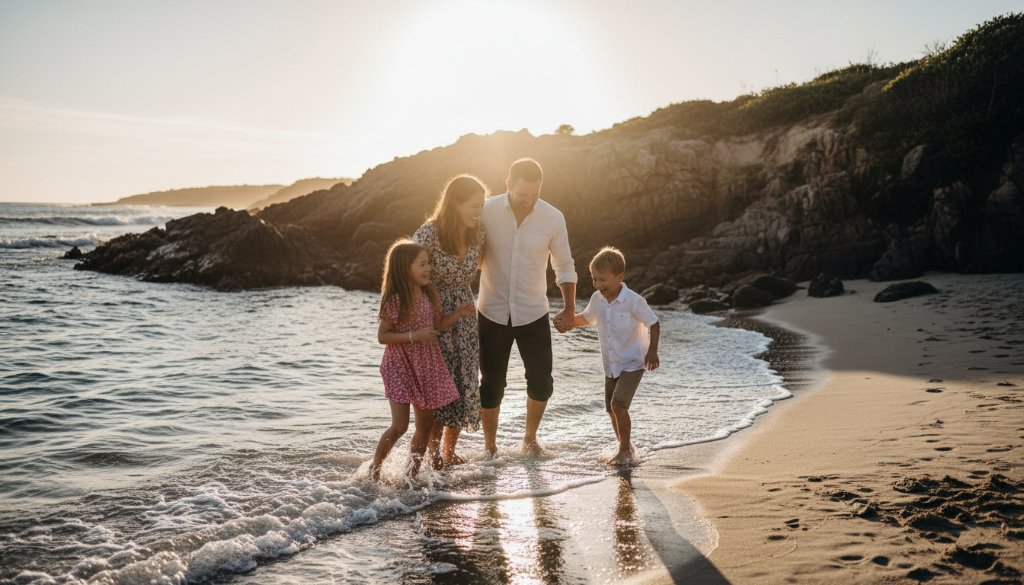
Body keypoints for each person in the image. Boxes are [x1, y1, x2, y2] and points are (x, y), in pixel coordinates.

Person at [478, 157, 577, 456]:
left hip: (534, 311)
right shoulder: (486, 210)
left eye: (535, 195)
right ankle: (490, 447)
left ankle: (530, 439)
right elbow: (464, 250)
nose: (529, 201)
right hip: (491, 311)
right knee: (492, 384)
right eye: (523, 195)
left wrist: (570, 310)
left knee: (541, 381)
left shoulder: (552, 217)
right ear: (508, 185)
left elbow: (564, 265)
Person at [371, 239, 476, 481]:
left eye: (428, 263)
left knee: (425, 426)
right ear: (404, 268)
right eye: (422, 264)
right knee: (400, 426)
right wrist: (413, 336)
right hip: (399, 365)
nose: (429, 268)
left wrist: (458, 313)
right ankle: (373, 472)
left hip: (427, 365)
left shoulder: (431, 294)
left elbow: (437, 325)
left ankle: (411, 477)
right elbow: (382, 336)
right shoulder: (396, 300)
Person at [412, 175, 486, 467]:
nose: (479, 211)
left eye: (481, 206)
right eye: (474, 206)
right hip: (434, 316)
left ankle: (448, 452)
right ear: (455, 203)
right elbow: (408, 272)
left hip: (465, 319)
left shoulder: (477, 233)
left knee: (463, 381)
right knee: (437, 388)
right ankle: (432, 456)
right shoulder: (428, 234)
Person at [573, 246, 660, 466]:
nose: (598, 285)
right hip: (611, 365)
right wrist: (568, 322)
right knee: (611, 409)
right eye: (594, 279)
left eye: (603, 280)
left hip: (633, 362)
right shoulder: (597, 299)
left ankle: (624, 452)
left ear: (620, 277)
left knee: (619, 406)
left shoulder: (633, 300)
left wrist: (652, 351)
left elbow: (654, 322)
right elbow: (587, 318)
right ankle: (626, 446)